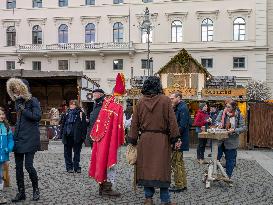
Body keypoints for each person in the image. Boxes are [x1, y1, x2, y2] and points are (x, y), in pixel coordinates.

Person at [129, 76, 180, 205]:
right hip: (161, 140)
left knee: (147, 168)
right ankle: (165, 200)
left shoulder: (140, 102)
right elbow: (172, 121)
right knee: (162, 169)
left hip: (145, 140)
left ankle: (148, 199)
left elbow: (134, 123)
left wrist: (133, 139)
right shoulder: (165, 101)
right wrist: (175, 138)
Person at [89, 73, 125, 197]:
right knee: (110, 163)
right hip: (110, 140)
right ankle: (107, 188)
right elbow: (122, 124)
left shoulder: (107, 103)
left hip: (101, 139)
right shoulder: (117, 106)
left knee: (102, 160)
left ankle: (102, 186)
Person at [6, 78, 41, 202]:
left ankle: (36, 190)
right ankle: (21, 192)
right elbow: (19, 121)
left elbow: (37, 117)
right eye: (14, 89)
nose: (16, 91)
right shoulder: (17, 102)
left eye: (17, 88)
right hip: (19, 138)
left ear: (23, 88)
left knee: (28, 166)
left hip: (30, 138)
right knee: (18, 167)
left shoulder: (33, 100)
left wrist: (23, 110)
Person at [216, 100, 245, 185]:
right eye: (226, 106)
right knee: (215, 158)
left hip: (232, 141)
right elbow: (217, 121)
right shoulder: (222, 112)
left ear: (233, 107)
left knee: (230, 160)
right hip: (220, 140)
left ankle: (228, 177)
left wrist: (235, 130)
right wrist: (219, 124)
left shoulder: (239, 115)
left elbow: (243, 127)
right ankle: (212, 174)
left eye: (229, 107)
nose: (226, 108)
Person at [169, 92, 190, 193]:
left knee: (176, 162)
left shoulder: (182, 108)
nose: (171, 100)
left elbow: (181, 126)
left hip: (179, 140)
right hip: (179, 139)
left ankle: (179, 185)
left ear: (179, 98)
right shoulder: (179, 107)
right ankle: (183, 184)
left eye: (172, 98)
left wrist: (175, 138)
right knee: (179, 162)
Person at [60, 100, 87, 173]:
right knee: (67, 153)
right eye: (70, 104)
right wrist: (61, 134)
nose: (71, 106)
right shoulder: (66, 113)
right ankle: (69, 167)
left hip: (77, 136)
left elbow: (84, 126)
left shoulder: (81, 114)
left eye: (73, 104)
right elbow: (63, 124)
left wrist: (83, 136)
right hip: (67, 135)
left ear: (77, 105)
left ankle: (77, 167)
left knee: (77, 152)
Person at [0, 107, 14, 204]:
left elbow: (10, 140)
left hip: (3, 156)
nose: (1, 116)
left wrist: (8, 148)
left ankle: (0, 195)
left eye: (2, 114)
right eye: (0, 114)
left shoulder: (6, 127)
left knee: (0, 176)